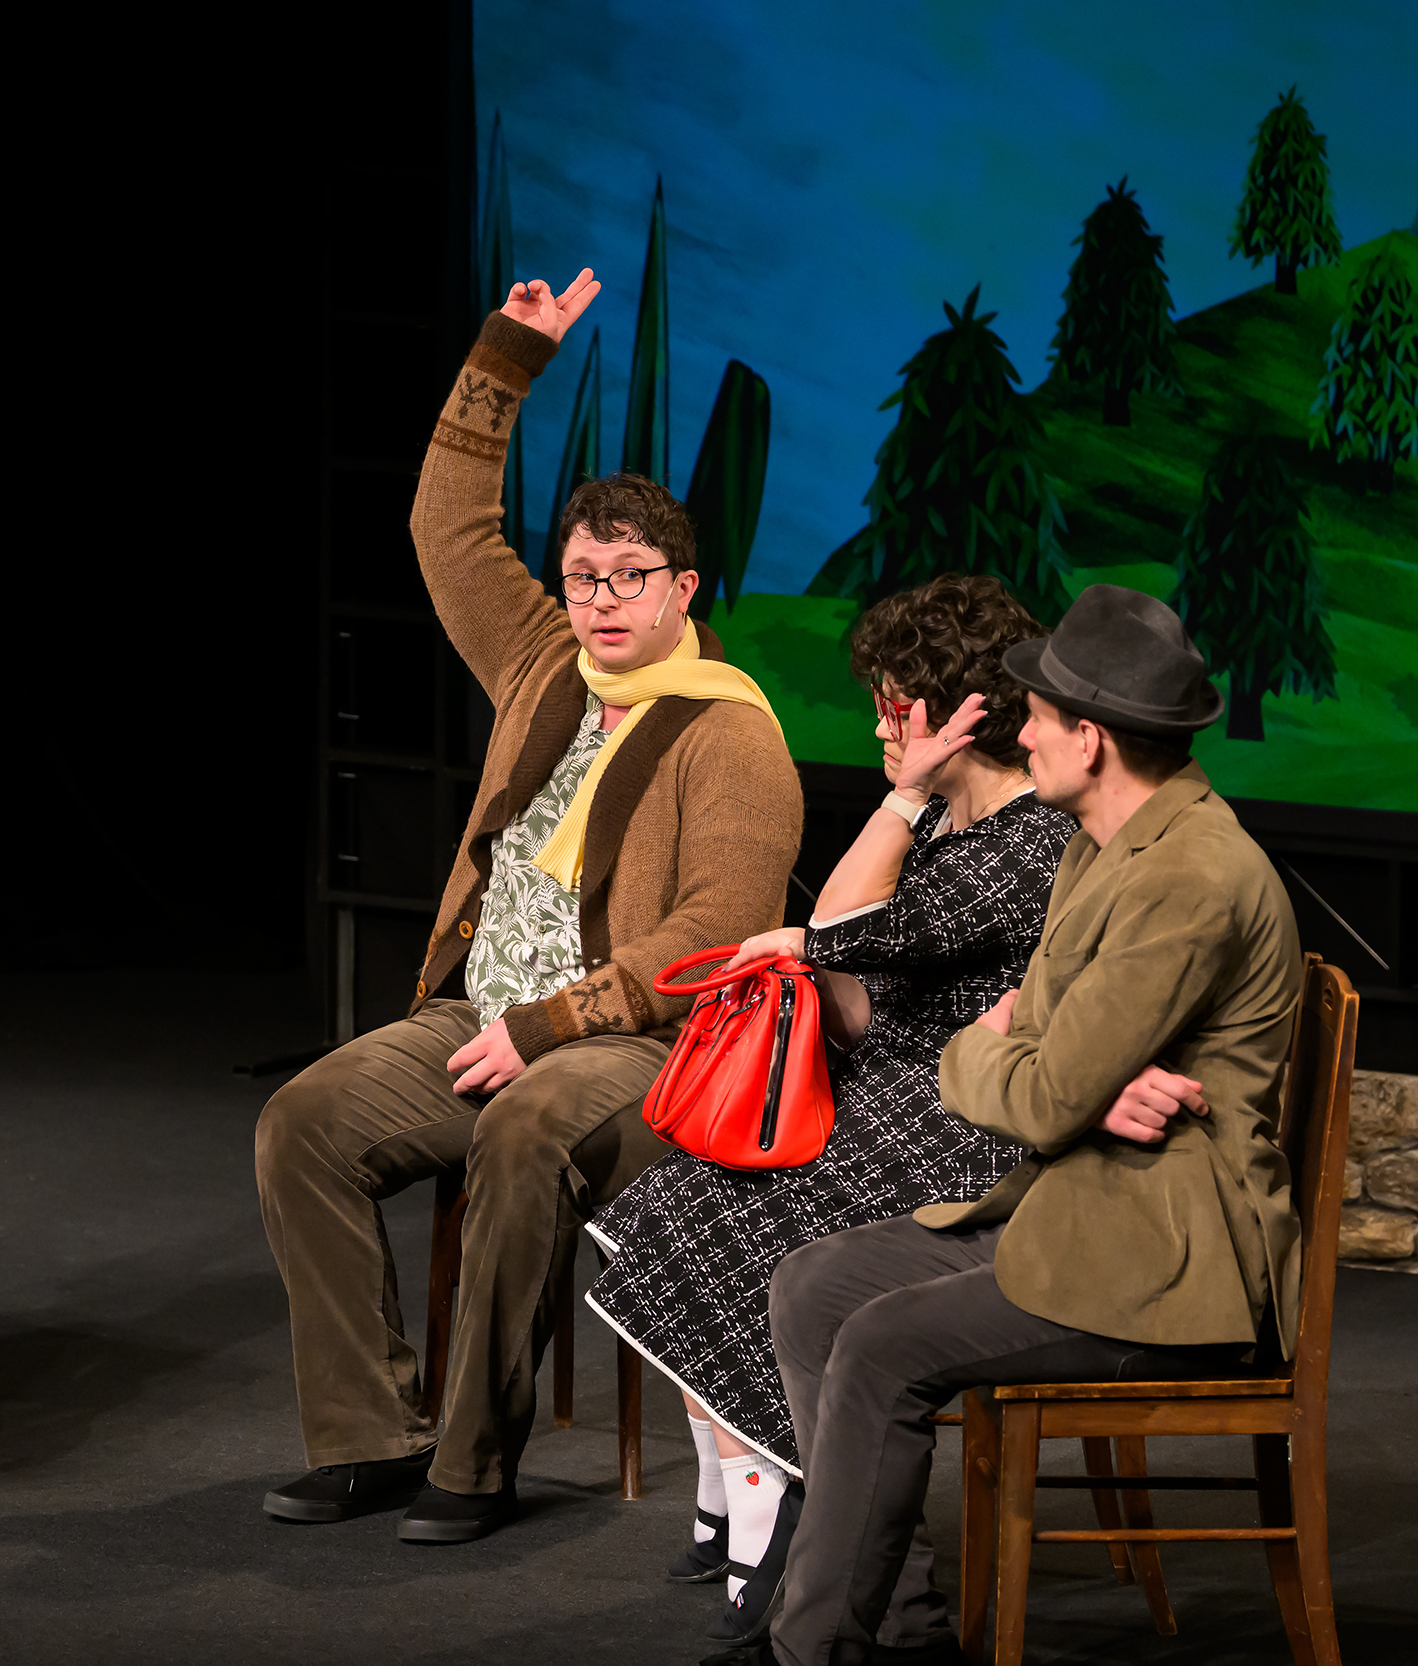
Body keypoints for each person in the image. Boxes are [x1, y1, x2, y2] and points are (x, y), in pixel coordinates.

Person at [254, 269, 803, 1544]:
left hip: (635, 1047)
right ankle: (369, 1438)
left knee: (524, 1131)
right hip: (480, 1014)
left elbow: (712, 941)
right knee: (304, 1122)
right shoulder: (542, 664)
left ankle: (473, 1458)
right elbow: (445, 527)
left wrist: (550, 1026)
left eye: (628, 575)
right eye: (581, 574)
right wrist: (505, 357)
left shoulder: (732, 735)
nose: (600, 598)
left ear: (683, 589)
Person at [756, 584, 1304, 1666]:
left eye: (1040, 716)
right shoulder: (1102, 843)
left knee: (880, 1347)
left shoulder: (1188, 875)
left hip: (1166, 1254)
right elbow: (1049, 1062)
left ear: (1090, 740)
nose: (1024, 733)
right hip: (1085, 1196)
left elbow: (1036, 1078)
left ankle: (809, 1648)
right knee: (813, 1287)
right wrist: (1049, 1065)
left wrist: (992, 1050)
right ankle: (899, 1629)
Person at [584, 574, 1075, 1647]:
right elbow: (846, 949)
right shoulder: (947, 817)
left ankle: (782, 1523)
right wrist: (906, 799)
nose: (878, 725)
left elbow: (850, 935)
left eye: (894, 706)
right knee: (676, 1197)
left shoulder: (1031, 840)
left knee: (727, 1219)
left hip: (964, 1129)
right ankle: (759, 1501)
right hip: (891, 1098)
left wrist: (836, 902)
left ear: (957, 712)